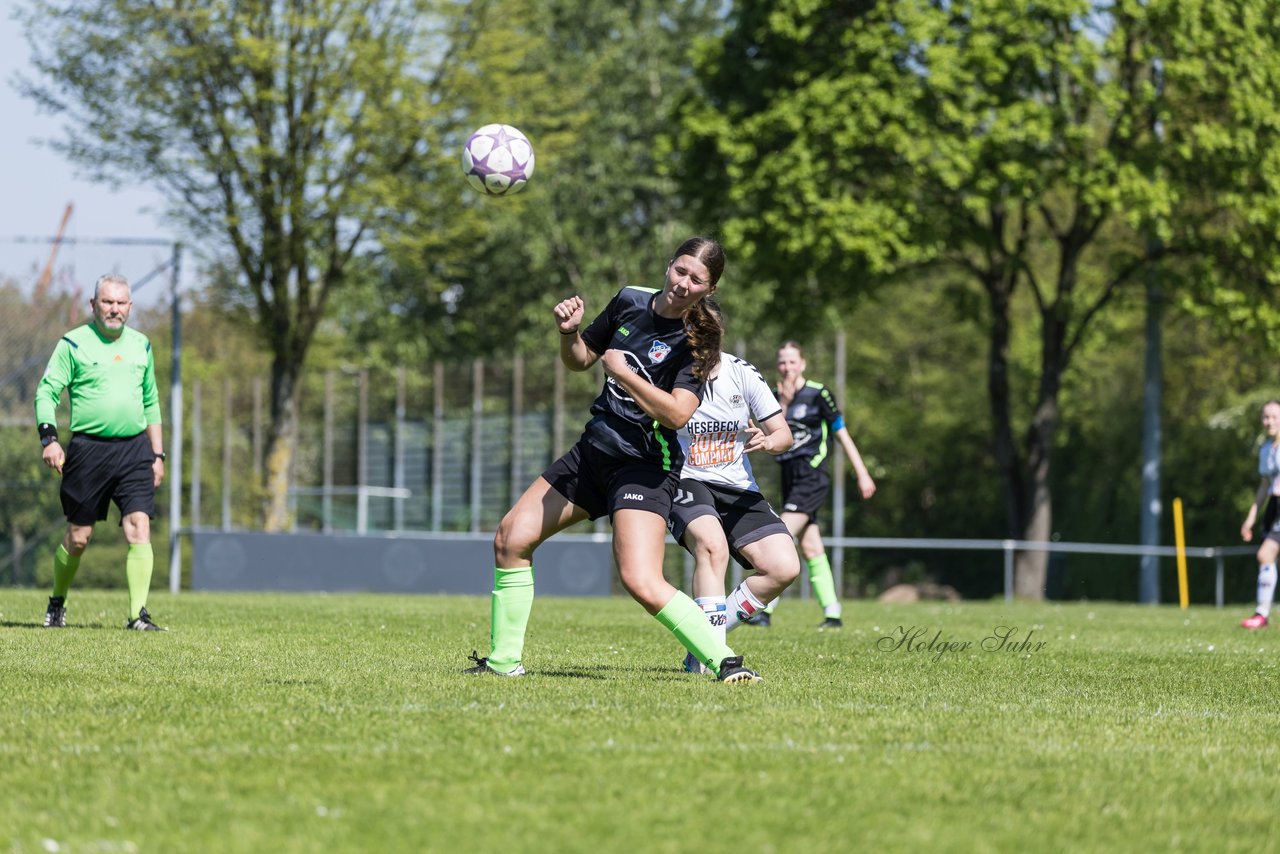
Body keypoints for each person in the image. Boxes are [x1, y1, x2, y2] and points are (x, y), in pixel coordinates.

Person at [464, 237, 761, 682]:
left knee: (641, 580)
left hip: (644, 465)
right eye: (680, 271)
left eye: (696, 280)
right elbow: (582, 359)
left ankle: (725, 662)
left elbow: (678, 413)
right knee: (510, 539)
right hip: (593, 452)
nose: (683, 284)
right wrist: (569, 333)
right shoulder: (628, 301)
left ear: (710, 289)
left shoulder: (699, 342)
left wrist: (623, 373)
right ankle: (504, 663)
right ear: (668, 266)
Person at [34, 273, 168, 631]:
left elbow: (151, 401)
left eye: (120, 303)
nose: (114, 309)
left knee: (138, 526)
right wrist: (49, 439)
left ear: (130, 307)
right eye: (107, 302)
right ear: (93, 305)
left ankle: (137, 615)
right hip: (88, 451)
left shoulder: (142, 345)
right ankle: (57, 601)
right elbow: (46, 392)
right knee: (80, 537)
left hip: (135, 449)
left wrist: (158, 455)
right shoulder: (73, 344)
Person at [667, 351, 798, 674]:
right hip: (686, 478)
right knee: (712, 547)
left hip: (739, 487)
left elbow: (784, 435)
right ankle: (713, 655)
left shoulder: (743, 373)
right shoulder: (669, 368)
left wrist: (769, 442)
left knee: (784, 567)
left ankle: (703, 645)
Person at [754, 340, 876, 629]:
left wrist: (862, 473)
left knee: (779, 534)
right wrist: (782, 403)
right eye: (782, 362)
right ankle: (833, 614)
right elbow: (770, 434)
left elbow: (841, 433)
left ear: (803, 364)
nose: (787, 367)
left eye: (792, 361)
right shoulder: (774, 396)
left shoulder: (818, 393)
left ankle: (764, 610)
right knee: (810, 547)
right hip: (789, 478)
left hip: (812, 477)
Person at [1239, 399, 1280, 629]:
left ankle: (1262, 614)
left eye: (1274, 416)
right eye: (1266, 417)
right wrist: (1251, 517)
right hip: (1274, 507)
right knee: (1270, 558)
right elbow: (1265, 486)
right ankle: (1262, 614)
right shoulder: (1266, 450)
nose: (1269, 421)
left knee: (1265, 555)